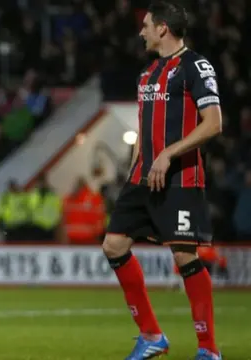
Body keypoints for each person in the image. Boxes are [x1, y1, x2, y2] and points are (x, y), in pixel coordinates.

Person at [103, 2, 223, 360]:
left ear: (162, 29)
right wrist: (134, 167)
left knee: (185, 255)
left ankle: (209, 350)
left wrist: (169, 153)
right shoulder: (147, 74)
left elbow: (214, 123)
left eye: (145, 25)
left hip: (180, 178)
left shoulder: (195, 66)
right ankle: (151, 335)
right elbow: (144, 127)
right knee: (113, 246)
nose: (140, 32)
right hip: (142, 178)